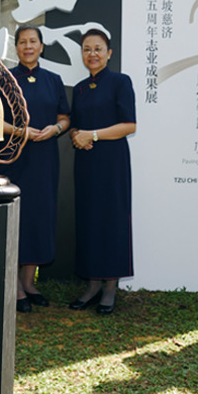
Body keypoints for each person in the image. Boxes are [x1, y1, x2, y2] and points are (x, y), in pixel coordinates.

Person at [0, 25, 70, 313]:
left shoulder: (53, 80)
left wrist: (56, 129)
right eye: (22, 42)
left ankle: (29, 282)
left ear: (41, 47)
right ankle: (15, 285)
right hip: (14, 158)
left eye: (33, 42)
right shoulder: (4, 79)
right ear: (16, 47)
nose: (28, 47)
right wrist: (21, 131)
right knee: (19, 217)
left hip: (45, 159)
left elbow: (65, 117)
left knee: (40, 216)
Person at [67, 29, 136, 315]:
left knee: (112, 219)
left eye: (98, 48)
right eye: (87, 49)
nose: (92, 54)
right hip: (86, 162)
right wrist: (76, 136)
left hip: (112, 162)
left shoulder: (121, 82)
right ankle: (92, 284)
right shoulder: (80, 88)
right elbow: (74, 124)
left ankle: (110, 287)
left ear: (109, 53)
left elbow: (129, 125)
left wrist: (92, 135)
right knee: (89, 219)